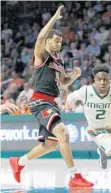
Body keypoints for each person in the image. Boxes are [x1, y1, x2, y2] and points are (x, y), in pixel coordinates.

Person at [9, 5, 93, 187]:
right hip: (40, 101)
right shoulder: (42, 55)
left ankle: (19, 162)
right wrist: (54, 17)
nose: (59, 44)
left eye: (61, 42)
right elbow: (40, 37)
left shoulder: (59, 60)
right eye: (56, 40)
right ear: (48, 41)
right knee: (63, 133)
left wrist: (74, 76)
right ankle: (74, 176)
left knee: (50, 144)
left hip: (52, 103)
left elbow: (63, 82)